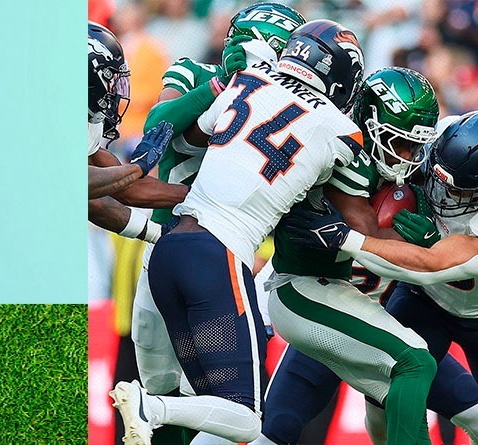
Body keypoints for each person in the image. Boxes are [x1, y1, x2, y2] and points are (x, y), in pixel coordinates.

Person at [110, 19, 365, 445]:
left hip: (168, 247)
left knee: (200, 399)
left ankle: (155, 406)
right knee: (245, 418)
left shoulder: (245, 81)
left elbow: (187, 142)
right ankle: (151, 409)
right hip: (218, 255)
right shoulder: (340, 129)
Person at [283, 108, 478, 445]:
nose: (441, 191)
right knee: (384, 396)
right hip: (424, 298)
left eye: (458, 189)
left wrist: (345, 238)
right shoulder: (440, 138)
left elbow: (436, 263)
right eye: (438, 175)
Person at [255, 67, 478, 445]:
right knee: (276, 431)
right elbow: (290, 261)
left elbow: (468, 265)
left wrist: (434, 242)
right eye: (399, 142)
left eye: (414, 146)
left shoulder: (431, 180)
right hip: (328, 316)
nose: (408, 156)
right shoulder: (331, 169)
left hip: (389, 316)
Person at [126, 4, 307, 444]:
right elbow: (157, 125)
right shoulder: (195, 73)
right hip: (168, 246)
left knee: (213, 398)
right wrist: (221, 85)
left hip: (226, 257)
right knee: (161, 385)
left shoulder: (295, 107)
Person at [87, 21, 185, 243]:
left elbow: (126, 189)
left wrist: (198, 196)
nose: (114, 90)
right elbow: (85, 186)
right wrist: (138, 167)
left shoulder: (88, 121)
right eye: (110, 78)